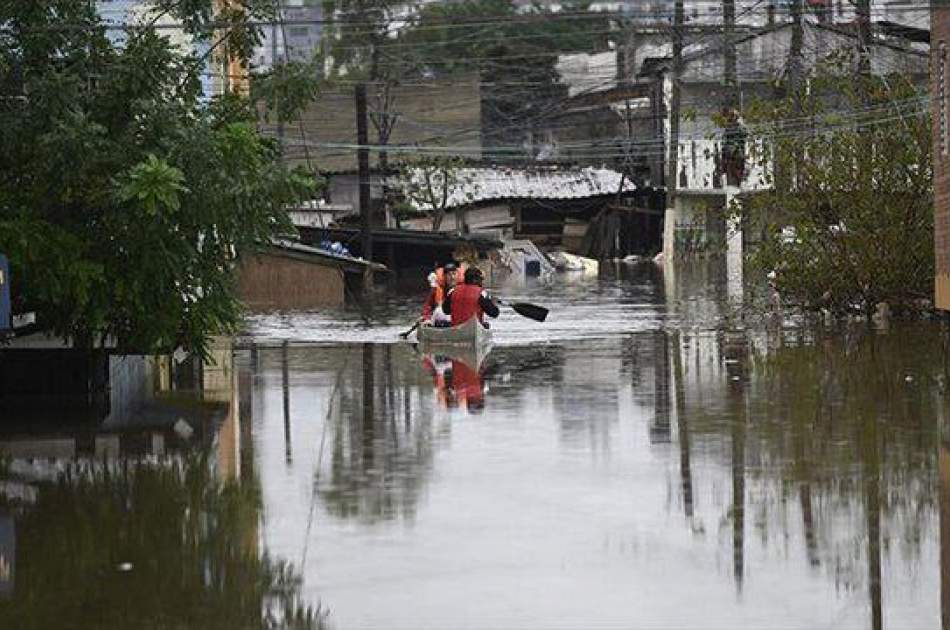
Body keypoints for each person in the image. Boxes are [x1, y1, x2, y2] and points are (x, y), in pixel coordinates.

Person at [421, 262, 461, 327]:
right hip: (442, 320)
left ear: (457, 275)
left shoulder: (463, 288)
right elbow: (428, 307)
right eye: (449, 275)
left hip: (458, 318)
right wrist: (426, 318)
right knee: (438, 310)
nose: (452, 277)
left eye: (454, 274)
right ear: (444, 276)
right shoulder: (437, 290)